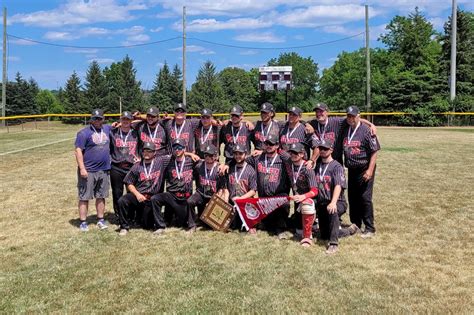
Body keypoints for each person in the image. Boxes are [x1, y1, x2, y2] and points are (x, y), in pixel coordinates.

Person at [117, 142, 172, 235]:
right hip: (140, 197)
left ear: (155, 153)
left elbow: (177, 153)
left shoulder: (161, 161)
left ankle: (155, 224)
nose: (146, 153)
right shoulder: (137, 165)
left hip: (152, 199)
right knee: (122, 200)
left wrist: (190, 154)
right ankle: (124, 227)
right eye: (144, 151)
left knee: (147, 225)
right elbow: (129, 182)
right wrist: (137, 194)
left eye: (149, 151)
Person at [341, 106, 380, 238]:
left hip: (364, 168)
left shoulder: (366, 131)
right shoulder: (346, 128)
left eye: (353, 116)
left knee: (365, 197)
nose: (350, 118)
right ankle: (356, 223)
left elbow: (374, 151)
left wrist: (370, 170)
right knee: (353, 197)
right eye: (349, 116)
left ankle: (369, 227)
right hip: (352, 169)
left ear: (359, 116)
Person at [314, 139, 359, 254]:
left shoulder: (336, 166)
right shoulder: (318, 166)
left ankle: (333, 244)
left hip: (337, 202)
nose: (323, 151)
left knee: (332, 211)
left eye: (325, 149)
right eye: (320, 149)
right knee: (324, 235)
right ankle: (349, 230)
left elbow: (339, 185)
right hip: (323, 203)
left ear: (331, 150)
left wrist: (333, 202)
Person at [151, 139, 200, 234]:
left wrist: (221, 166)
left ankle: (191, 225)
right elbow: (152, 157)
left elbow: (206, 163)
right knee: (155, 198)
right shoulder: (167, 160)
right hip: (172, 195)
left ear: (184, 149)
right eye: (175, 147)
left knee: (181, 223)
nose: (177, 150)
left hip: (185, 197)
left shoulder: (191, 161)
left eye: (180, 147)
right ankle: (160, 226)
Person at [246, 134, 291, 237]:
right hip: (263, 198)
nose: (269, 146)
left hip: (278, 196)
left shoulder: (282, 159)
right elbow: (241, 160)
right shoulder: (258, 158)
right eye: (266, 144)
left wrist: (279, 150)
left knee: (284, 205)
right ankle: (268, 223)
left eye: (272, 144)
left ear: (277, 145)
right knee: (267, 225)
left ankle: (281, 229)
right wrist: (225, 164)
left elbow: (289, 157)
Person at [74, 109, 112, 232]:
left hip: (104, 169)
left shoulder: (107, 129)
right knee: (84, 196)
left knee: (101, 196)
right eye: (95, 118)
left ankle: (100, 219)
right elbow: (78, 150)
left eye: (99, 118)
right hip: (89, 170)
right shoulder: (84, 133)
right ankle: (83, 222)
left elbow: (126, 123)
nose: (97, 121)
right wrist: (82, 168)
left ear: (103, 119)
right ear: (91, 119)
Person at [309, 102, 377, 164]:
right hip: (320, 160)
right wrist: (307, 125)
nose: (318, 114)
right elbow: (301, 122)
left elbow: (354, 119)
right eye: (317, 112)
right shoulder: (313, 123)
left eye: (321, 111)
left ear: (327, 112)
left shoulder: (336, 121)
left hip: (335, 161)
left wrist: (371, 124)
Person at [218, 144, 257, 233]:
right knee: (226, 226)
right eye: (235, 154)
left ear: (245, 154)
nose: (238, 156)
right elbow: (225, 186)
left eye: (240, 154)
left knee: (246, 229)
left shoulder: (250, 170)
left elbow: (253, 191)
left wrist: (240, 199)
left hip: (245, 203)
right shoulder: (229, 168)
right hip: (232, 204)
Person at [285, 143, 318, 246]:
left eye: (296, 153)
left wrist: (303, 197)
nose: (293, 155)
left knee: (306, 205)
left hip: (309, 199)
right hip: (297, 200)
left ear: (302, 154)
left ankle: (308, 237)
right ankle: (312, 225)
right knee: (298, 230)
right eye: (291, 153)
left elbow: (315, 191)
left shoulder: (307, 168)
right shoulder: (289, 164)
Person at [109, 111, 139, 216]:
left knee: (131, 193)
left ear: (132, 121)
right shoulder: (113, 132)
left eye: (128, 119)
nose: (126, 121)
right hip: (117, 167)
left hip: (132, 167)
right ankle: (119, 216)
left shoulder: (136, 132)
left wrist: (139, 158)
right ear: (120, 120)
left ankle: (131, 215)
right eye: (123, 119)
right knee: (117, 193)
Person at [187, 144, 224, 226]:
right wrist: (190, 154)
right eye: (206, 155)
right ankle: (192, 225)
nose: (207, 157)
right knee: (190, 201)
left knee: (208, 224)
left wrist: (216, 200)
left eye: (210, 155)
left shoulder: (219, 169)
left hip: (213, 196)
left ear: (215, 156)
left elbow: (222, 187)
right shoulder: (199, 165)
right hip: (201, 193)